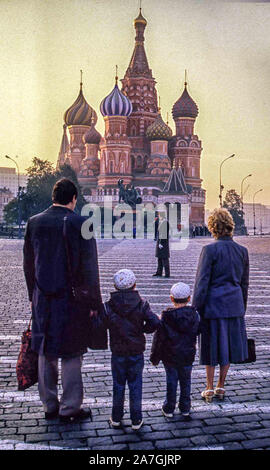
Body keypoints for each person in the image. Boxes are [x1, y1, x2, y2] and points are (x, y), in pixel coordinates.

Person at [23, 178, 102, 422]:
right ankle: (70, 408)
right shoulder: (82, 223)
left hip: (43, 297)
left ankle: (49, 406)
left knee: (45, 350)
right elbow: (90, 269)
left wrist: (32, 297)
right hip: (72, 299)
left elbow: (28, 264)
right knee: (71, 352)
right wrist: (93, 304)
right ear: (74, 199)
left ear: (53, 197)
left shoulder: (34, 222)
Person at [192, 208, 249, 403]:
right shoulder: (242, 251)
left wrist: (195, 309)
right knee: (228, 346)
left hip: (212, 306)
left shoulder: (209, 250)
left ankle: (208, 387)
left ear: (212, 227)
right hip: (234, 305)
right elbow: (244, 283)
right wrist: (242, 306)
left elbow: (202, 283)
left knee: (211, 346)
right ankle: (221, 385)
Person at [102, 269, 160, 430]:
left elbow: (100, 324)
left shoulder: (108, 306)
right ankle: (136, 419)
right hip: (136, 352)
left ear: (115, 286)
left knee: (118, 385)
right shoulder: (141, 304)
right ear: (134, 285)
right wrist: (143, 330)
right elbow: (155, 322)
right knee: (135, 385)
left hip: (117, 352)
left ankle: (116, 417)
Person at [150, 282, 200, 420]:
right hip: (188, 354)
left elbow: (158, 339)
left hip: (170, 356)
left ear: (171, 298)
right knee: (186, 381)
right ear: (189, 298)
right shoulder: (195, 315)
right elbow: (199, 330)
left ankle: (169, 407)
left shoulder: (166, 317)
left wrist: (154, 357)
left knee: (171, 381)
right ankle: (185, 408)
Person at [153, 213, 170, 278]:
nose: (158, 217)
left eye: (159, 216)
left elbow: (164, 234)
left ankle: (167, 273)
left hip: (163, 243)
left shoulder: (165, 222)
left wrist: (161, 243)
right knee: (159, 258)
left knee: (165, 259)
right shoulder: (162, 222)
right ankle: (159, 272)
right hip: (160, 242)